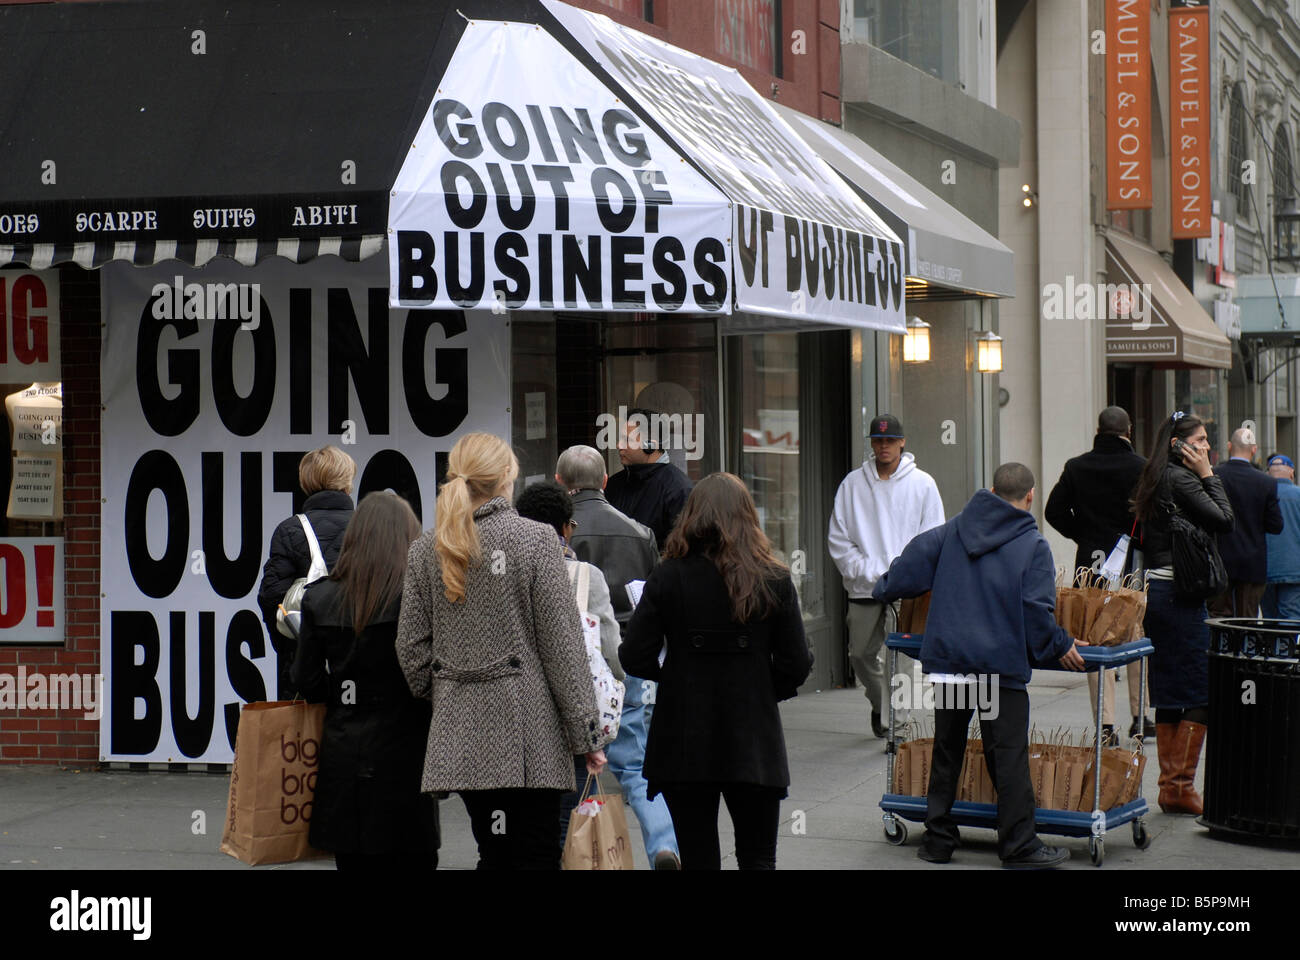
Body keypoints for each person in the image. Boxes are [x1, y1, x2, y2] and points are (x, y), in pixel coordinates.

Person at [395, 433, 607, 870]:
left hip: (463, 732)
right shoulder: (535, 541)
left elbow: (411, 649)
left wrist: (450, 694)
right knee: (536, 852)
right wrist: (587, 734)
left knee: (493, 847)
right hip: (530, 733)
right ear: (507, 478)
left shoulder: (425, 550)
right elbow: (562, 647)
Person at [873, 463, 1086, 868]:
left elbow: (910, 565)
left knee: (947, 749)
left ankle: (937, 841)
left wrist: (883, 586)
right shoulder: (1032, 545)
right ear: (1030, 497)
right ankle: (1019, 845)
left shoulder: (954, 529)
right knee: (1006, 755)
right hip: (997, 667)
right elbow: (1037, 613)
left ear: (990, 490)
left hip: (952, 662)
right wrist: (1060, 644)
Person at [621, 473, 812, 870]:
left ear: (690, 517)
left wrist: (673, 678)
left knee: (697, 856)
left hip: (684, 737)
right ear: (748, 517)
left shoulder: (667, 576)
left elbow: (634, 655)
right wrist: (762, 688)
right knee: (758, 857)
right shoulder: (773, 578)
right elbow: (796, 663)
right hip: (752, 737)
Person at [291, 491, 439, 872]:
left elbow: (305, 678)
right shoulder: (417, 598)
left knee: (353, 858)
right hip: (408, 749)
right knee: (413, 856)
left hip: (345, 748)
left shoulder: (319, 599)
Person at [555, 444, 680, 869]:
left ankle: (578, 851)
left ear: (560, 483)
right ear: (605, 481)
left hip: (570, 659)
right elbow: (651, 598)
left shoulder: (553, 533)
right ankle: (664, 844)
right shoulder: (641, 532)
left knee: (572, 765)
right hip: (628, 657)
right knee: (635, 766)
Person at [1130, 411, 1233, 815]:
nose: (1207, 447)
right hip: (1179, 595)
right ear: (1180, 444)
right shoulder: (1185, 478)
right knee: (1198, 691)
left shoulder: (1155, 477)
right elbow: (1225, 519)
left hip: (1160, 592)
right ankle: (1179, 785)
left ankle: (1171, 787)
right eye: (1202, 440)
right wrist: (1209, 473)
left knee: (1171, 691)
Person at [513, 480, 624, 850]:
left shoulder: (500, 570)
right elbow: (610, 648)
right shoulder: (584, 576)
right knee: (564, 823)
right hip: (567, 720)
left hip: (512, 717)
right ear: (564, 527)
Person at [827, 413, 945, 739]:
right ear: (871, 443)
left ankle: (898, 726)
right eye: (878, 440)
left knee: (903, 661)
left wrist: (910, 575)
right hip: (864, 586)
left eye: (890, 440)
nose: (884, 446)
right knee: (860, 655)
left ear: (902, 442)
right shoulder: (852, 485)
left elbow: (932, 536)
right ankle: (881, 704)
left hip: (907, 589)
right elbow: (839, 538)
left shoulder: (923, 484)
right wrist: (865, 572)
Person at [1044, 405, 1153, 743]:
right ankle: (1140, 716)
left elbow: (1053, 511)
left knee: (1094, 637)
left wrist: (1083, 534)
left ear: (1098, 429)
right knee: (1134, 633)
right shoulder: (1142, 467)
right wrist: (1135, 538)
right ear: (1128, 431)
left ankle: (1105, 726)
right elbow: (1150, 515)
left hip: (1089, 563)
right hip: (1131, 560)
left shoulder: (1077, 467)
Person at [257, 446, 357, 699]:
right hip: (363, 678)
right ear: (348, 482)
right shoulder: (372, 527)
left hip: (305, 680)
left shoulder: (289, 531)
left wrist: (294, 655)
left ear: (306, 483)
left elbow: (272, 598)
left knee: (301, 739)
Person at [1208, 427, 1282, 619]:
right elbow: (1276, 525)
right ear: (1254, 449)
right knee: (1247, 618)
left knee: (1219, 617)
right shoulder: (1266, 482)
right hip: (1253, 561)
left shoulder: (1214, 475)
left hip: (1220, 559)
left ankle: (1221, 649)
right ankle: (1246, 648)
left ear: (1229, 446)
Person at [605, 406, 693, 551]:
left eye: (628, 440)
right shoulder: (614, 485)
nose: (619, 445)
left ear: (651, 444)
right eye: (620, 439)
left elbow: (682, 550)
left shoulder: (678, 490)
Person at [1263, 454, 1300, 620]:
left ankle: (1271, 646)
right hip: (1294, 568)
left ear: (1268, 474)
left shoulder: (1261, 495)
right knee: (1290, 617)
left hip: (1265, 567)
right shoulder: (1298, 495)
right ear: (1291, 473)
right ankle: (1287, 646)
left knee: (1267, 618)